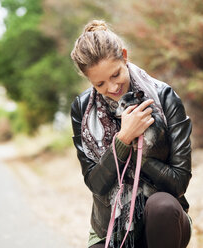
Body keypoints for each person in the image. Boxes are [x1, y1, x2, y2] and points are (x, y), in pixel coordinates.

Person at [70, 20, 192, 248]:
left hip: (164, 221)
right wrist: (123, 139)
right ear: (89, 81)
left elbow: (179, 183)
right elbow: (96, 184)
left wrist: (139, 152)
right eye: (100, 84)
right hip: (110, 228)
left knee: (162, 206)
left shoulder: (164, 97)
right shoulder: (81, 109)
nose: (112, 88)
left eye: (116, 75)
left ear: (124, 56)